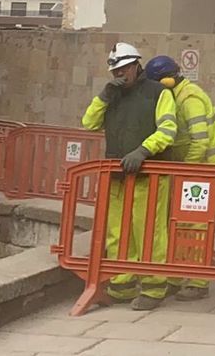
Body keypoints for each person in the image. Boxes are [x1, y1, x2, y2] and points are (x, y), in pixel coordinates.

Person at [82, 42, 180, 310]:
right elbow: (89, 123)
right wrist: (103, 97)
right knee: (118, 231)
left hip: (150, 174)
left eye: (124, 69)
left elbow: (168, 130)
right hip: (117, 174)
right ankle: (121, 284)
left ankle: (153, 287)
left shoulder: (159, 93)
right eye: (116, 71)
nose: (120, 75)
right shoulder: (112, 95)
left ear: (137, 65)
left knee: (149, 231)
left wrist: (143, 151)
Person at [144, 55, 215, 300]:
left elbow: (200, 140)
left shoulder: (189, 97)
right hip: (193, 171)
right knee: (181, 223)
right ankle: (176, 275)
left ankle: (197, 281)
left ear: (169, 79)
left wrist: (186, 171)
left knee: (197, 226)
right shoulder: (177, 95)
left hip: (204, 170)